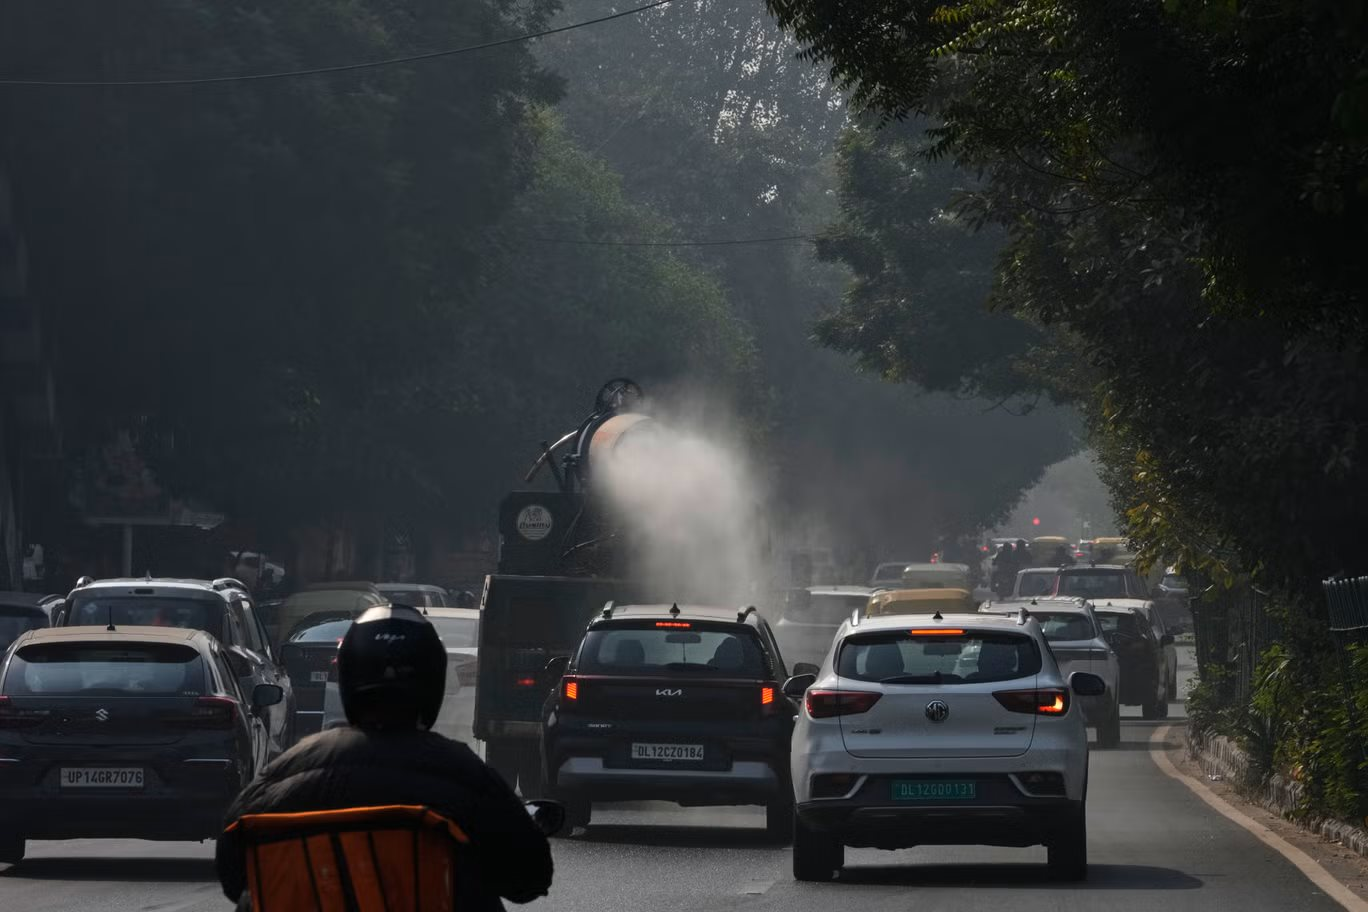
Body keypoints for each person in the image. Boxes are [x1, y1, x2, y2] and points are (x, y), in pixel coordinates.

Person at [216, 604, 552, 911]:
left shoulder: (287, 770)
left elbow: (233, 872)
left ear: (348, 677)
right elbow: (529, 879)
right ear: (432, 680)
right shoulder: (464, 773)